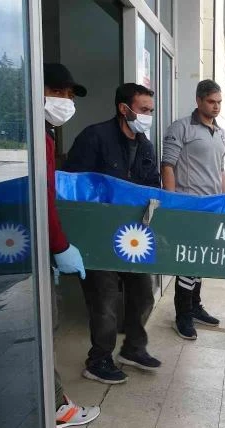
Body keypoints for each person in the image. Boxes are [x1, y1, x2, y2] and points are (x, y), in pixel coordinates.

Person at [64, 83, 161, 384]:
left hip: (132, 236)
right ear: (124, 108)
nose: (148, 116)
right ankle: (99, 360)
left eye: (150, 111)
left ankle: (133, 348)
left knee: (143, 293)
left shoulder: (145, 146)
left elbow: (153, 186)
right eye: (143, 110)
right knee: (104, 300)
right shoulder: (94, 137)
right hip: (97, 235)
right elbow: (73, 185)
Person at [43, 63, 100, 428]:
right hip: (33, 245)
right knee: (44, 327)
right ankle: (55, 408)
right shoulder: (36, 136)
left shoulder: (42, 132)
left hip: (31, 244)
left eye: (68, 94)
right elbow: (43, 198)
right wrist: (60, 245)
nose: (64, 101)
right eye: (57, 92)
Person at [161, 79, 225, 340]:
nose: (216, 106)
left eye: (219, 102)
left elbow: (220, 171)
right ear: (198, 100)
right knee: (188, 261)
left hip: (213, 207)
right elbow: (167, 166)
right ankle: (183, 315)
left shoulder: (220, 133)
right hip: (188, 207)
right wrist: (171, 204)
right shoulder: (181, 128)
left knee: (201, 259)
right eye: (211, 101)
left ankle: (195, 306)